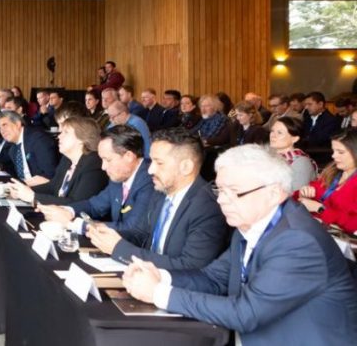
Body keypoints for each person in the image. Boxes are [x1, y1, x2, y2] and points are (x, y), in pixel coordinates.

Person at [122, 144, 357, 346]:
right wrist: (162, 277)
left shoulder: (297, 241)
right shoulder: (250, 223)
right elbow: (214, 278)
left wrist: (158, 293)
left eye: (235, 192)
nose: (222, 200)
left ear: (274, 193)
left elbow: (246, 313)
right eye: (220, 190)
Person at [87, 128, 228, 270]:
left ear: (186, 167)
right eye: (151, 161)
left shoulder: (208, 207)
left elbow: (190, 267)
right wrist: (108, 234)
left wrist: (120, 249)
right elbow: (141, 233)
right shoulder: (160, 193)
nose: (150, 170)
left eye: (159, 163)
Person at [38, 125, 154, 234]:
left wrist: (76, 224)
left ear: (129, 156)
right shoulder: (119, 176)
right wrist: (67, 211)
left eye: (108, 160)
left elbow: (131, 229)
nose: (103, 167)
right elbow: (94, 206)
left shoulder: (150, 181)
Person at [6, 116, 106, 206]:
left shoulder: (94, 164)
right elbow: (52, 187)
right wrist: (22, 191)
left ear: (82, 139)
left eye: (66, 133)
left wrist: (33, 197)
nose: (59, 136)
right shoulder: (67, 160)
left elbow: (78, 203)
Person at [296, 129, 357, 233]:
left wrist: (320, 209)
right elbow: (299, 196)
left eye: (340, 152)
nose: (333, 156)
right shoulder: (333, 171)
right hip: (314, 229)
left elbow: (353, 224)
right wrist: (303, 193)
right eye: (334, 151)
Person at [0, 110, 58, 185]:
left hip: (42, 189)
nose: (2, 131)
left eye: (5, 125)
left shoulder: (38, 140)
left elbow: (50, 175)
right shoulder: (12, 150)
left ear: (18, 124)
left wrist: (23, 185)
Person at [268, 117, 317, 192]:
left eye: (279, 133)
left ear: (294, 139)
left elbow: (296, 195)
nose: (272, 135)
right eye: (272, 131)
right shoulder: (268, 156)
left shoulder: (301, 162)